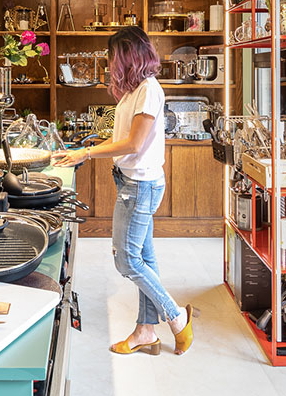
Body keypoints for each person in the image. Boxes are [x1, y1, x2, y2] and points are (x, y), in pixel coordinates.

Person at [53, 27, 194, 356]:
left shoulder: (149, 90)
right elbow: (122, 138)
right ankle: (146, 330)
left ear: (129, 56)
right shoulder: (135, 90)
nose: (109, 62)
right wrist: (84, 148)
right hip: (131, 182)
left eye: (113, 56)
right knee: (144, 258)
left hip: (140, 186)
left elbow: (134, 144)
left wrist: (86, 153)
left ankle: (177, 317)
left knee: (127, 261)